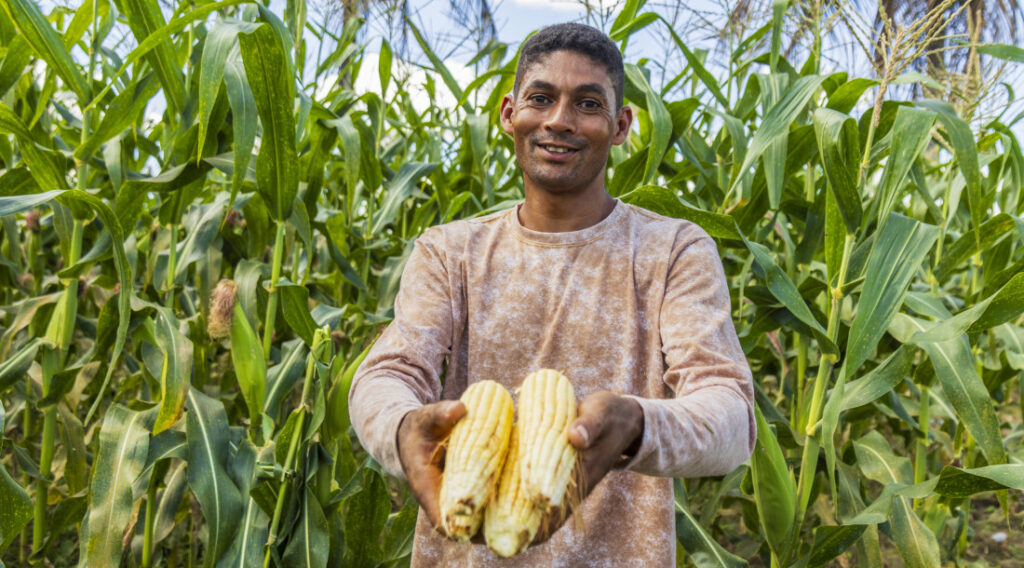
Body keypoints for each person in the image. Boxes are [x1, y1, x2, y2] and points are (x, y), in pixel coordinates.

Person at [349, 22, 755, 567]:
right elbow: (387, 375)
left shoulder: (672, 252)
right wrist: (403, 429)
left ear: (621, 125)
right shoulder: (451, 252)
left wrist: (636, 423)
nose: (559, 121)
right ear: (509, 113)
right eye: (541, 98)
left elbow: (729, 418)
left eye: (588, 103)